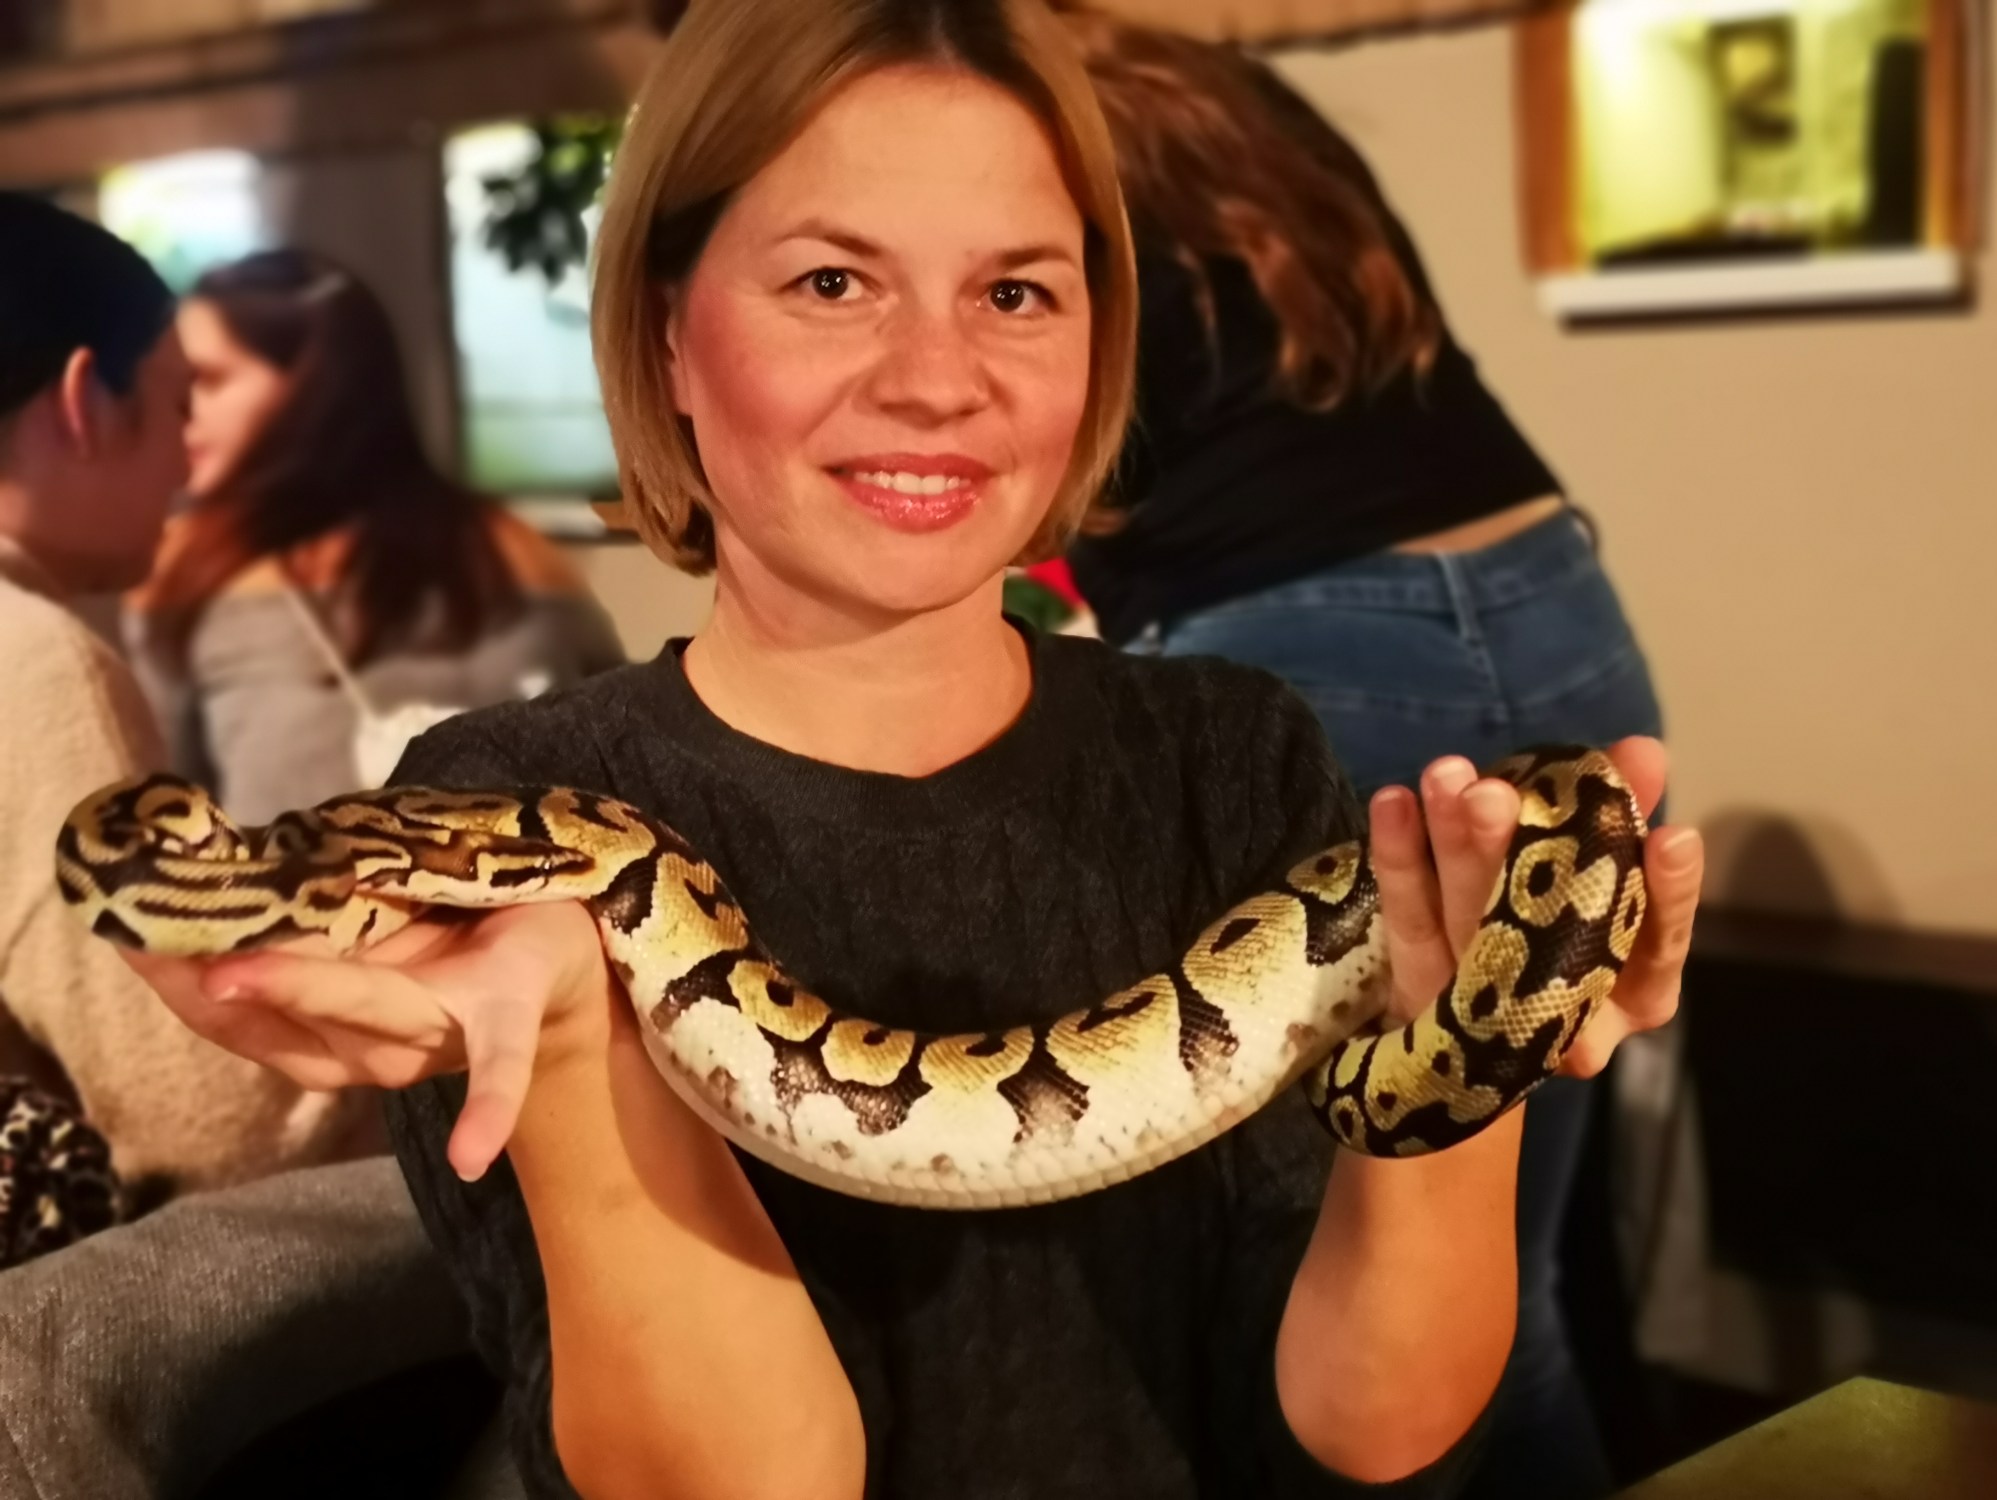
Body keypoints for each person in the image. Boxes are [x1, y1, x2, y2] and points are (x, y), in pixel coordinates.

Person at [115, 2, 1704, 1497]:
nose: (938, 380)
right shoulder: (488, 813)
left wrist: (1472, 1032)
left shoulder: (1229, 753)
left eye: (1016, 293)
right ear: (667, 336)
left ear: (1101, 340)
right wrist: (579, 1049)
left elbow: (1367, 1437)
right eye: (832, 283)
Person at [1057, 14, 1669, 1496]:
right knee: (1513, 1245)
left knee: (1361, 1286)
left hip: (1300, 640)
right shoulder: (1200, 86)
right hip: (1548, 597)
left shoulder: (1011, 126)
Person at [0, 193, 381, 1202]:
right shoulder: (34, 661)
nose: (186, 456)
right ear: (83, 403)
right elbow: (216, 1132)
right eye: (176, 405)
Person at [128, 249, 626, 828]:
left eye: (208, 381)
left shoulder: (185, 566)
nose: (181, 411)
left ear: (316, 383)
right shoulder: (514, 546)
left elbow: (157, 820)